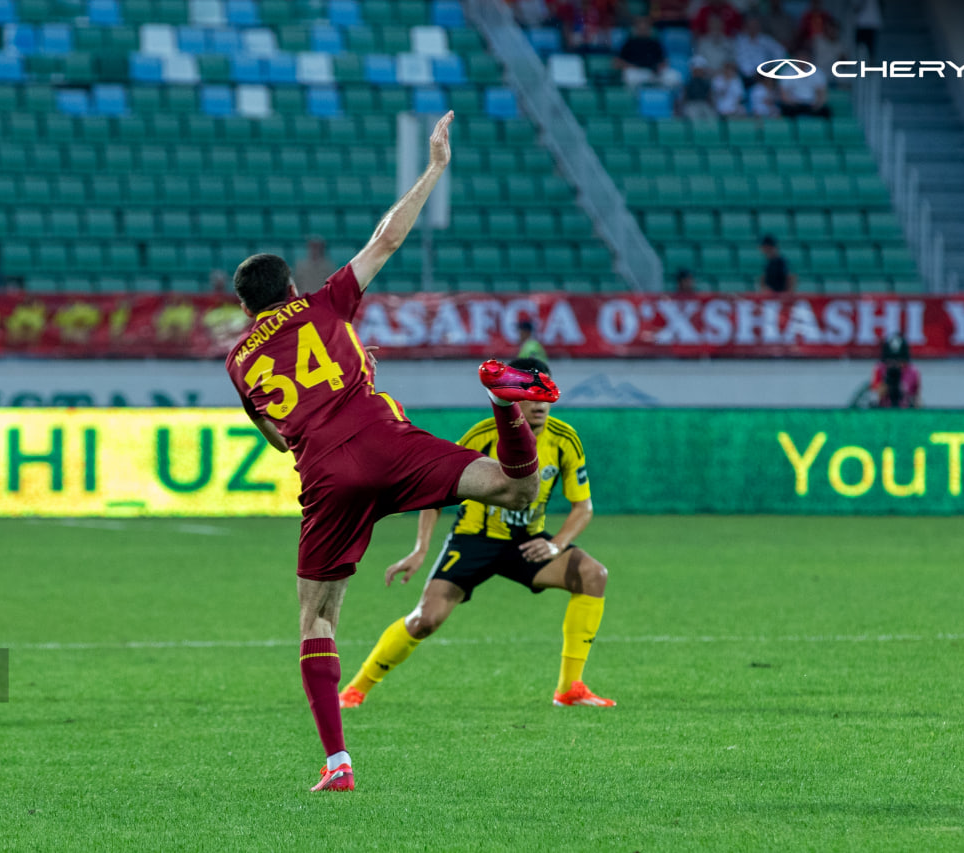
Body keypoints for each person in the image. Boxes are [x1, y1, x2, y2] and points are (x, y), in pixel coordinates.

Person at [225, 112, 560, 794]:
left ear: (245, 309)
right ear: (290, 288)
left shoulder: (238, 362)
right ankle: (503, 406)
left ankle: (337, 763)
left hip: (324, 471)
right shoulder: (326, 303)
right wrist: (436, 166)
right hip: (386, 439)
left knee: (316, 616)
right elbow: (387, 237)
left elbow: (279, 435)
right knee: (515, 488)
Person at [338, 357, 615, 711]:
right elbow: (434, 492)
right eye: (529, 395)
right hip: (473, 540)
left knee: (593, 575)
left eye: (544, 394)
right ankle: (355, 690)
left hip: (525, 543)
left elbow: (583, 508)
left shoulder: (564, 440)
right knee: (426, 620)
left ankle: (569, 688)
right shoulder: (482, 435)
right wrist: (421, 548)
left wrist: (555, 544)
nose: (539, 404)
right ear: (512, 397)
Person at [616, 16, 684, 91]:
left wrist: (659, 67)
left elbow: (665, 61)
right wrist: (632, 66)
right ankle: (636, 100)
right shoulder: (629, 43)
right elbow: (618, 63)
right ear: (636, 29)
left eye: (645, 28)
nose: (643, 30)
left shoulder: (655, 43)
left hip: (654, 73)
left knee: (675, 76)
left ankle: (665, 98)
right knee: (629, 75)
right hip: (637, 72)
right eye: (640, 28)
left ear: (649, 29)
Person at [869, 333, 921, 408]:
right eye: (890, 360)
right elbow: (874, 396)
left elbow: (917, 399)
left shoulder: (912, 372)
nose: (895, 364)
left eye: (899, 360)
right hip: (883, 412)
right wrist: (885, 385)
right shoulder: (879, 369)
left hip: (905, 413)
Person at [778, 50, 831, 117]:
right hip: (794, 105)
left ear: (809, 59)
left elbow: (822, 93)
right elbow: (783, 95)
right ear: (796, 58)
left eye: (804, 57)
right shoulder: (787, 72)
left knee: (826, 111)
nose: (802, 60)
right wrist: (792, 104)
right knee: (785, 110)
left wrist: (817, 105)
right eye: (800, 57)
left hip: (812, 105)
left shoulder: (818, 73)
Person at [734, 15, 785, 85]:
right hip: (748, 77)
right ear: (746, 27)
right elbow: (739, 60)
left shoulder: (766, 40)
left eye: (755, 26)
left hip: (766, 73)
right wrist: (752, 73)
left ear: (759, 27)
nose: (753, 28)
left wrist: (772, 66)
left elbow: (780, 52)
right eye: (750, 26)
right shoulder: (741, 42)